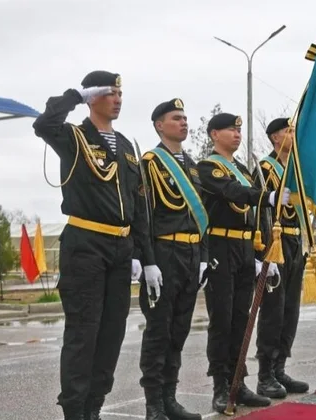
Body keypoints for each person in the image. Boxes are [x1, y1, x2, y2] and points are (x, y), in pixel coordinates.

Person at [32, 70, 159, 420]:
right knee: (83, 333)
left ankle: (94, 407)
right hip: (85, 244)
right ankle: (74, 411)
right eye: (109, 92)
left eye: (120, 93)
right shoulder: (74, 137)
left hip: (120, 249)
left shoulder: (128, 148)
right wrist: (75, 94)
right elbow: (43, 123)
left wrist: (144, 257)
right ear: (93, 97)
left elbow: (138, 207)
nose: (117, 98)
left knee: (112, 333)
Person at [196, 112, 289, 413]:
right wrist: (268, 196)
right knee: (221, 320)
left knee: (240, 318)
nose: (236, 134)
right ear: (213, 134)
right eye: (228, 130)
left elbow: (253, 212)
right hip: (220, 246)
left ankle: (239, 382)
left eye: (238, 129)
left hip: (244, 246)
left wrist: (261, 256)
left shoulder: (242, 169)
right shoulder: (209, 167)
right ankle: (221, 387)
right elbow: (232, 193)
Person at [137, 98, 207, 420]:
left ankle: (170, 398)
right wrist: (146, 260)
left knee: (179, 331)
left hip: (191, 254)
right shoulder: (151, 163)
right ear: (159, 125)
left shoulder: (192, 165)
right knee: (159, 331)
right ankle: (153, 404)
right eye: (176, 118)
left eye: (185, 117)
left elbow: (200, 217)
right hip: (164, 253)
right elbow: (144, 215)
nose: (184, 123)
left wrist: (204, 256)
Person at [253, 118, 310, 399]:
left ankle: (280, 368)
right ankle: (264, 375)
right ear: (276, 138)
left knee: (291, 310)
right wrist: (263, 252)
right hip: (275, 243)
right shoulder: (266, 168)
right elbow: (260, 211)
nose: (293, 135)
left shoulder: (295, 169)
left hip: (296, 241)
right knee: (273, 310)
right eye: (288, 131)